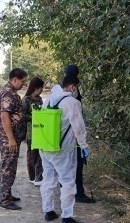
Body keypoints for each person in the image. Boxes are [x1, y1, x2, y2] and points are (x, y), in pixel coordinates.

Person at [40, 75, 90, 223]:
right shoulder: (72, 102)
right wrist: (84, 145)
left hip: (45, 146)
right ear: (73, 87)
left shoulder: (49, 99)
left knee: (48, 179)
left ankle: (48, 211)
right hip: (63, 149)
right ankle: (67, 217)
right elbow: (78, 127)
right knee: (67, 181)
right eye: (76, 87)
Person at [0, 68, 27, 210]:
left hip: (11, 137)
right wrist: (11, 138)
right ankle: (5, 200)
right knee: (8, 167)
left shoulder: (11, 92)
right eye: (22, 81)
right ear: (15, 79)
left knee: (10, 167)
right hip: (8, 139)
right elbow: (4, 116)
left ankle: (8, 193)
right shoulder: (8, 92)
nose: (24, 84)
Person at [64, 64, 95, 204]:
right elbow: (77, 122)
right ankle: (79, 193)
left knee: (66, 166)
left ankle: (68, 190)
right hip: (72, 136)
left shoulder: (59, 90)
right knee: (77, 165)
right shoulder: (73, 92)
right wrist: (83, 144)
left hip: (62, 136)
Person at [22, 77, 45, 187]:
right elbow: (22, 116)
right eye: (41, 88)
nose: (42, 90)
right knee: (32, 156)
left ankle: (39, 176)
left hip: (40, 131)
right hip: (30, 132)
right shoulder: (26, 100)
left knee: (40, 155)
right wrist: (34, 116)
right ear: (36, 88)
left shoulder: (40, 99)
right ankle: (32, 177)